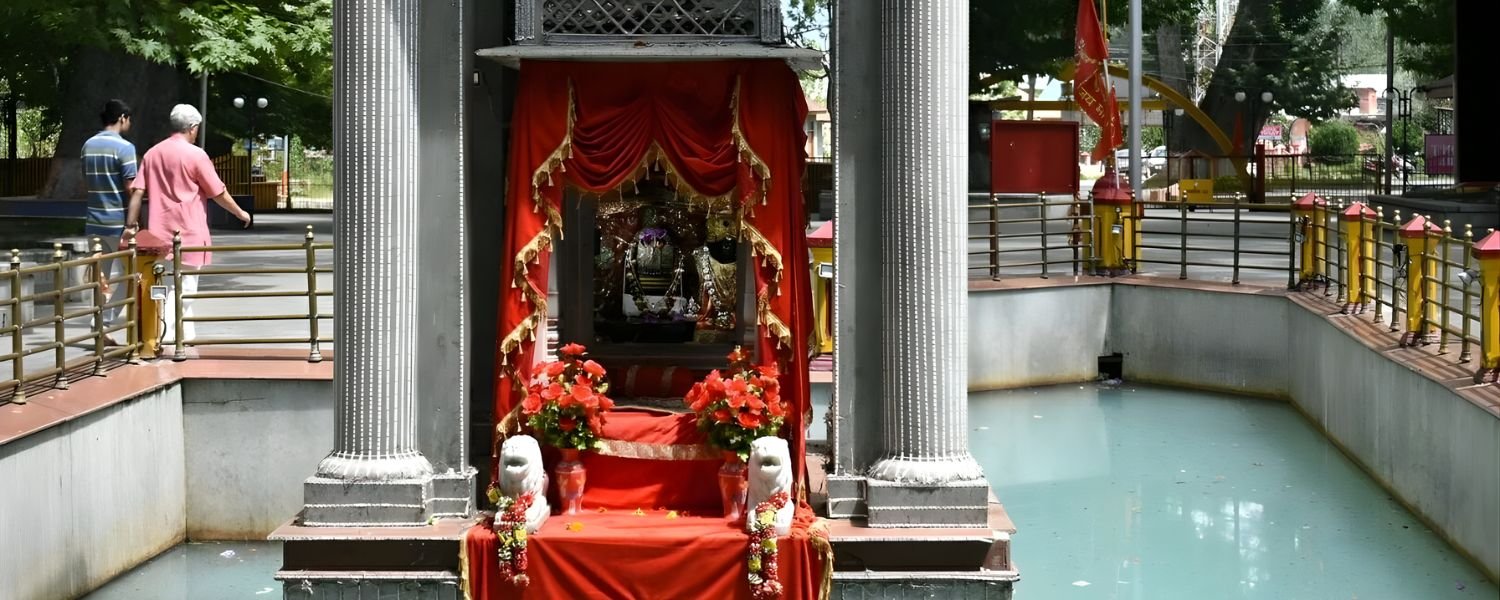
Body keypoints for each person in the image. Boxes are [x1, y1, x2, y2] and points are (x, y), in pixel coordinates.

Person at [125, 104, 251, 343]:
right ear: (193, 128)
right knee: (186, 289)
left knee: (162, 284)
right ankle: (171, 338)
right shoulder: (196, 155)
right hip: (189, 233)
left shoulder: (153, 153)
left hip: (158, 232)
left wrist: (131, 225)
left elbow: (137, 191)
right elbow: (217, 192)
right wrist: (239, 212)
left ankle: (182, 335)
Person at [81, 99, 137, 343]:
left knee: (99, 278)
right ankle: (101, 323)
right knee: (131, 277)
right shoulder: (125, 148)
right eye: (129, 118)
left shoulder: (87, 146)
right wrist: (134, 222)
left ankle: (98, 327)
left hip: (93, 220)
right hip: (117, 222)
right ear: (122, 117)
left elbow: (87, 181)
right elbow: (131, 187)